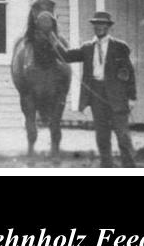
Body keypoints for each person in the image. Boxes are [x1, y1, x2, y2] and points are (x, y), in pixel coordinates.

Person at [57, 11, 137, 168]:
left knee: (122, 135)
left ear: (108, 27)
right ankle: (106, 165)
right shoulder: (87, 48)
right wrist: (52, 38)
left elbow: (129, 74)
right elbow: (66, 56)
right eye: (96, 24)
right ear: (93, 27)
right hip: (96, 95)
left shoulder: (120, 47)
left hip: (117, 96)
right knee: (102, 135)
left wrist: (132, 97)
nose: (99, 27)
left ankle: (129, 166)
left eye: (103, 24)